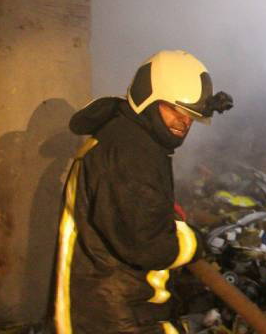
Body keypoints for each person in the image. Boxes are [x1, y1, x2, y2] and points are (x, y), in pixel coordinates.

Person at [53, 50, 233, 334]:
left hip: (121, 306)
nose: (184, 123)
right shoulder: (130, 152)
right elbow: (147, 244)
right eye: (176, 110)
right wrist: (192, 241)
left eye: (190, 116)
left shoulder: (131, 139)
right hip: (112, 315)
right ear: (148, 98)